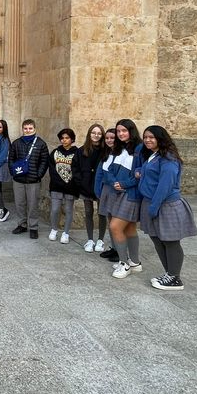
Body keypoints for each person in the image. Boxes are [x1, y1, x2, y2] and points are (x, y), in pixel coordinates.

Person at [138, 125, 197, 291]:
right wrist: (140, 172)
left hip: (165, 205)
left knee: (170, 241)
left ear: (160, 138)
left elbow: (165, 185)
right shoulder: (154, 155)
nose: (148, 140)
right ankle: (169, 273)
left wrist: (154, 207)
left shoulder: (169, 158)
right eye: (145, 137)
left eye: (151, 137)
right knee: (157, 239)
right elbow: (152, 174)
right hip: (152, 203)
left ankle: (174, 278)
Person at [95, 119, 144, 279]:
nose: (121, 134)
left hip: (131, 194)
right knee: (129, 228)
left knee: (116, 226)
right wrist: (113, 182)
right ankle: (135, 263)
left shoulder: (139, 149)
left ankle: (124, 263)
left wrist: (124, 183)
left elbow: (141, 174)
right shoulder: (118, 148)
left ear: (131, 131)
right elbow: (107, 169)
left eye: (124, 130)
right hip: (118, 192)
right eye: (118, 131)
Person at [8, 119, 49, 238]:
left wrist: (39, 174)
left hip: (33, 180)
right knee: (20, 203)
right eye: (25, 128)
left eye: (30, 128)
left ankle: (33, 227)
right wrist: (13, 172)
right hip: (18, 179)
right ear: (22, 129)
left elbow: (44, 161)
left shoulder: (41, 143)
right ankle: (22, 224)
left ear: (35, 129)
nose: (28, 130)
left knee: (32, 204)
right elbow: (11, 159)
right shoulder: (16, 143)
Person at [47, 128, 81, 244]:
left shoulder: (77, 153)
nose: (64, 140)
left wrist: (72, 183)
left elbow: (77, 170)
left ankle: (66, 232)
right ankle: (54, 229)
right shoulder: (55, 152)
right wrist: (59, 181)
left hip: (71, 187)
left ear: (72, 139)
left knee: (68, 210)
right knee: (55, 209)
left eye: (67, 138)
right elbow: (52, 169)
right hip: (56, 186)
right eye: (62, 138)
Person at [77, 124, 107, 252]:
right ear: (89, 134)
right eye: (93, 133)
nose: (96, 135)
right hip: (86, 186)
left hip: (100, 186)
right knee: (88, 212)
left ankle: (100, 240)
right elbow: (76, 168)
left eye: (99, 133)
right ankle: (90, 240)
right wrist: (80, 182)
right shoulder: (81, 150)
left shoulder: (106, 151)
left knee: (102, 213)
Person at [97, 129, 120, 262]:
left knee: (116, 222)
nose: (109, 140)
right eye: (107, 138)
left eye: (112, 138)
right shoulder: (106, 153)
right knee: (109, 219)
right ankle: (114, 247)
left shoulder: (120, 154)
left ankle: (120, 250)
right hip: (106, 189)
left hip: (114, 190)